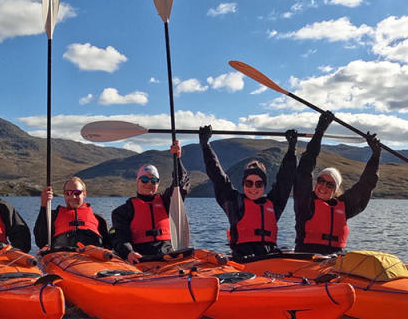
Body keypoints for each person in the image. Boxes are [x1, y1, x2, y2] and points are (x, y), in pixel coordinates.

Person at [198, 125, 297, 261]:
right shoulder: (234, 202)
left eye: (259, 184)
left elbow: (286, 178)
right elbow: (217, 175)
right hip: (243, 259)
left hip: (270, 259)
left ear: (264, 186)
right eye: (249, 183)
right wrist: (205, 146)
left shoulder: (273, 204)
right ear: (243, 184)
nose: (253, 188)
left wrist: (292, 149)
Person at [293, 111, 381, 254]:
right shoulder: (305, 202)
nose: (323, 186)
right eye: (321, 181)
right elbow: (305, 167)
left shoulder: (344, 206)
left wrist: (375, 156)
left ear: (335, 190)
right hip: (307, 258)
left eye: (330, 185)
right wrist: (319, 131)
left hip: (336, 261)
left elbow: (366, 184)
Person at [111, 142, 189, 264]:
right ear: (137, 182)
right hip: (141, 258)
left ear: (158, 184)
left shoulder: (167, 202)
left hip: (168, 256)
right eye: (144, 179)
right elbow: (120, 238)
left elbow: (181, 184)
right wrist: (128, 252)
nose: (149, 183)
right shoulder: (122, 211)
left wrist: (177, 159)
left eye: (153, 180)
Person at [34, 176, 110, 251]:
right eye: (68, 193)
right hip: (62, 254)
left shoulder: (98, 219)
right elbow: (40, 242)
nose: (73, 197)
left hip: (92, 254)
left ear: (84, 194)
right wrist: (44, 205)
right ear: (64, 194)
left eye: (77, 193)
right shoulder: (52, 217)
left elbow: (108, 244)